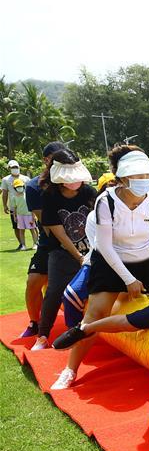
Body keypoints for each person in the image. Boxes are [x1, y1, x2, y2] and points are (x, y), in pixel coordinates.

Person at [50, 145, 149, 390]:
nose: (144, 181)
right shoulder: (106, 201)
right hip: (111, 262)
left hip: (147, 259)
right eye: (137, 176)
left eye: (147, 175)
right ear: (122, 178)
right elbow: (105, 246)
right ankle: (70, 369)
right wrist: (129, 279)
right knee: (97, 312)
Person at [31, 149, 96, 350]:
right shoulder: (49, 196)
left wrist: (92, 253)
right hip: (62, 252)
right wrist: (78, 256)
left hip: (93, 250)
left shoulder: (89, 193)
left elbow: (100, 222)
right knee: (54, 291)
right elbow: (58, 232)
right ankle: (42, 335)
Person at [19, 142, 67, 337]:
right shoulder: (33, 186)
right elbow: (46, 223)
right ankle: (34, 322)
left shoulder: (74, 181)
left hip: (78, 242)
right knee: (34, 282)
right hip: (50, 244)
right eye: (54, 158)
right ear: (46, 160)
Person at [2, 159, 31, 250]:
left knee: (32, 225)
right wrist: (5, 205)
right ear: (9, 168)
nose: (15, 168)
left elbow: (31, 191)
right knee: (16, 227)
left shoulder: (25, 178)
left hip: (27, 206)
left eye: (16, 167)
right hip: (14, 207)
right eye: (12, 167)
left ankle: (36, 242)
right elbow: (5, 193)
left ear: (19, 167)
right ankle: (21, 244)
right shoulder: (6, 179)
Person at [9, 178, 39, 249]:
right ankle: (23, 245)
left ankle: (35, 244)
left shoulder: (27, 195)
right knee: (21, 230)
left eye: (20, 186)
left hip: (29, 215)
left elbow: (32, 206)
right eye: (17, 187)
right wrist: (15, 217)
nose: (19, 188)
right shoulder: (14, 197)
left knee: (32, 229)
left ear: (23, 186)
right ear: (14, 188)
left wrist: (33, 215)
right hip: (20, 216)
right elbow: (15, 208)